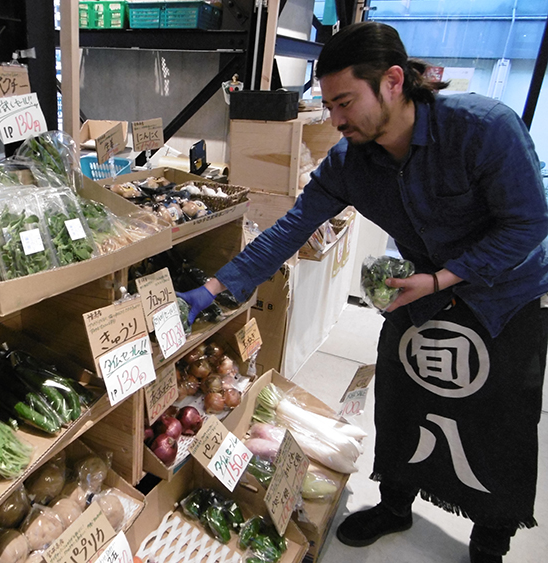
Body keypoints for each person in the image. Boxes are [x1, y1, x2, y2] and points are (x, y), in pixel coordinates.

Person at [178, 22, 547, 563]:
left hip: (505, 292)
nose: (335, 119)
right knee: (402, 400)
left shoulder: (482, 129)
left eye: (346, 101)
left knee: (499, 418)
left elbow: (528, 224)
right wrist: (212, 288)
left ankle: (492, 535)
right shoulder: (351, 161)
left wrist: (445, 278)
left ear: (394, 81)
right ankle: (394, 505)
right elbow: (290, 230)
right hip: (417, 289)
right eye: (328, 104)